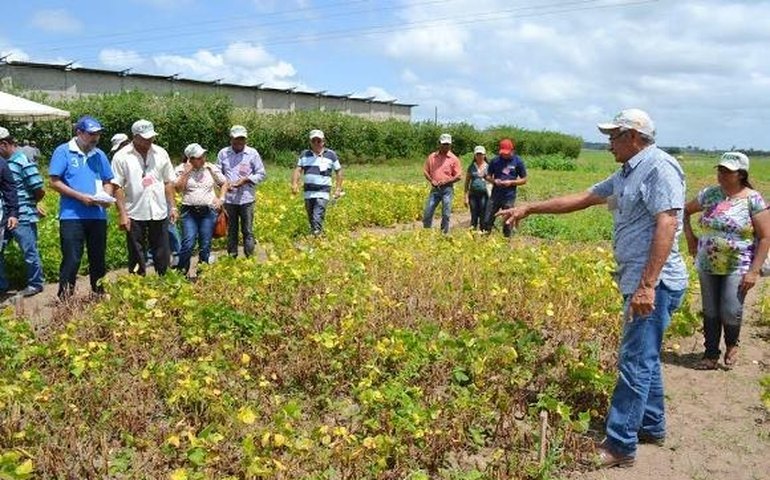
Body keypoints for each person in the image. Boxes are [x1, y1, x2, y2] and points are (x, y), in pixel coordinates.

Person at [498, 109, 688, 468]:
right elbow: (584, 198)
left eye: (613, 137)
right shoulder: (626, 173)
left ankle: (619, 446)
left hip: (654, 284)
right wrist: (530, 208)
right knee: (645, 357)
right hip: (640, 280)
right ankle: (652, 424)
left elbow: (668, 222)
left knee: (634, 361)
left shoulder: (659, 167)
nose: (608, 144)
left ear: (633, 137)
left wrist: (648, 284)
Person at [683, 152, 770, 370]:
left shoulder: (753, 199)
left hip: (738, 265)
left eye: (727, 171)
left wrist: (753, 271)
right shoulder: (709, 194)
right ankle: (711, 354)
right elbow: (684, 211)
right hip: (707, 263)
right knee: (710, 309)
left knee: (730, 308)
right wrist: (691, 239)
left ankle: (732, 344)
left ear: (740, 174)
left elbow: (766, 236)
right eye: (720, 169)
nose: (721, 174)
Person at [48, 116, 115, 300]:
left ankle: (99, 293)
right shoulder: (64, 151)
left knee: (98, 257)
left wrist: (106, 196)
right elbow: (54, 182)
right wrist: (80, 197)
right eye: (91, 134)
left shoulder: (99, 154)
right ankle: (65, 298)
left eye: (98, 134)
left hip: (97, 215)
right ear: (79, 133)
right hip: (72, 215)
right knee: (72, 257)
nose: (95, 138)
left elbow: (108, 180)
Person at [111, 119, 177, 276]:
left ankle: (164, 281)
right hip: (134, 211)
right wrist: (122, 214)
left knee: (162, 250)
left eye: (151, 137)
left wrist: (173, 206)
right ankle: (138, 285)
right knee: (136, 252)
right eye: (145, 138)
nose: (149, 140)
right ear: (135, 137)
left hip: (158, 209)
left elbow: (168, 182)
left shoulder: (161, 153)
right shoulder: (121, 156)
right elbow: (117, 186)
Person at [0, 127, 44, 297]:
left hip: (23, 214)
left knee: (29, 250)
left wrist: (33, 204)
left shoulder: (22, 161)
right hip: (5, 215)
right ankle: (2, 285)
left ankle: (36, 284)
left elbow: (38, 188)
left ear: (4, 144)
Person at [175, 143, 229, 278]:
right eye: (199, 157)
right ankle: (181, 273)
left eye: (203, 156)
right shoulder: (181, 169)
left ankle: (202, 273)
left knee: (205, 244)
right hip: (189, 211)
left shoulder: (210, 168)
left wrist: (221, 199)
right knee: (188, 243)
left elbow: (224, 183)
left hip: (208, 211)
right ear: (190, 158)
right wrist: (186, 173)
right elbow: (178, 189)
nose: (203, 159)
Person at [217, 125, 266, 258]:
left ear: (245, 140)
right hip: (229, 199)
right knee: (231, 230)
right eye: (236, 139)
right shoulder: (223, 153)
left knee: (247, 230)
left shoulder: (252, 153)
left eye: (242, 139)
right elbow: (217, 174)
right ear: (231, 139)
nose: (239, 142)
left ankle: (249, 257)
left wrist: (246, 180)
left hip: (246, 198)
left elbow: (261, 174)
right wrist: (225, 184)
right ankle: (232, 257)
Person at [291, 129, 343, 236]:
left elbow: (339, 171)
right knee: (311, 218)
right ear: (310, 142)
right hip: (308, 193)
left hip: (323, 192)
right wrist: (295, 184)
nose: (316, 143)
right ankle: (318, 237)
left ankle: (316, 237)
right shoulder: (305, 155)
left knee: (317, 215)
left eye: (318, 141)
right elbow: (298, 170)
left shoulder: (331, 155)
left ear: (323, 141)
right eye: (313, 141)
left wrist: (338, 188)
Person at [482, 138, 527, 237]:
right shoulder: (495, 161)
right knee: (487, 219)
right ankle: (484, 241)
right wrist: (494, 181)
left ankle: (506, 243)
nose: (504, 155)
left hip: (509, 197)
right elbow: (488, 176)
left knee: (507, 222)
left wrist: (511, 182)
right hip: (495, 195)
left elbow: (524, 180)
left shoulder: (518, 161)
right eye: (503, 153)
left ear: (512, 150)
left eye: (507, 153)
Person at [422, 133, 461, 233]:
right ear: (439, 144)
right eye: (444, 144)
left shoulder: (454, 159)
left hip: (447, 189)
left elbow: (458, 176)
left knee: (446, 214)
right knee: (428, 212)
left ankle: (444, 234)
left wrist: (447, 181)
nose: (446, 146)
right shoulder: (432, 157)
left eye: (448, 144)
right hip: (435, 189)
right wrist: (431, 180)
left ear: (451, 145)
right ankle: (426, 233)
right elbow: (426, 171)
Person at [464, 145, 489, 230]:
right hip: (473, 195)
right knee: (474, 216)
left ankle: (482, 236)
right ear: (475, 155)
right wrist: (465, 197)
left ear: (484, 155)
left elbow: (493, 182)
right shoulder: (471, 167)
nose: (479, 156)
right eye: (477, 154)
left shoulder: (489, 167)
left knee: (483, 216)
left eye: (481, 154)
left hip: (485, 195)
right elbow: (467, 183)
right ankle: (472, 238)